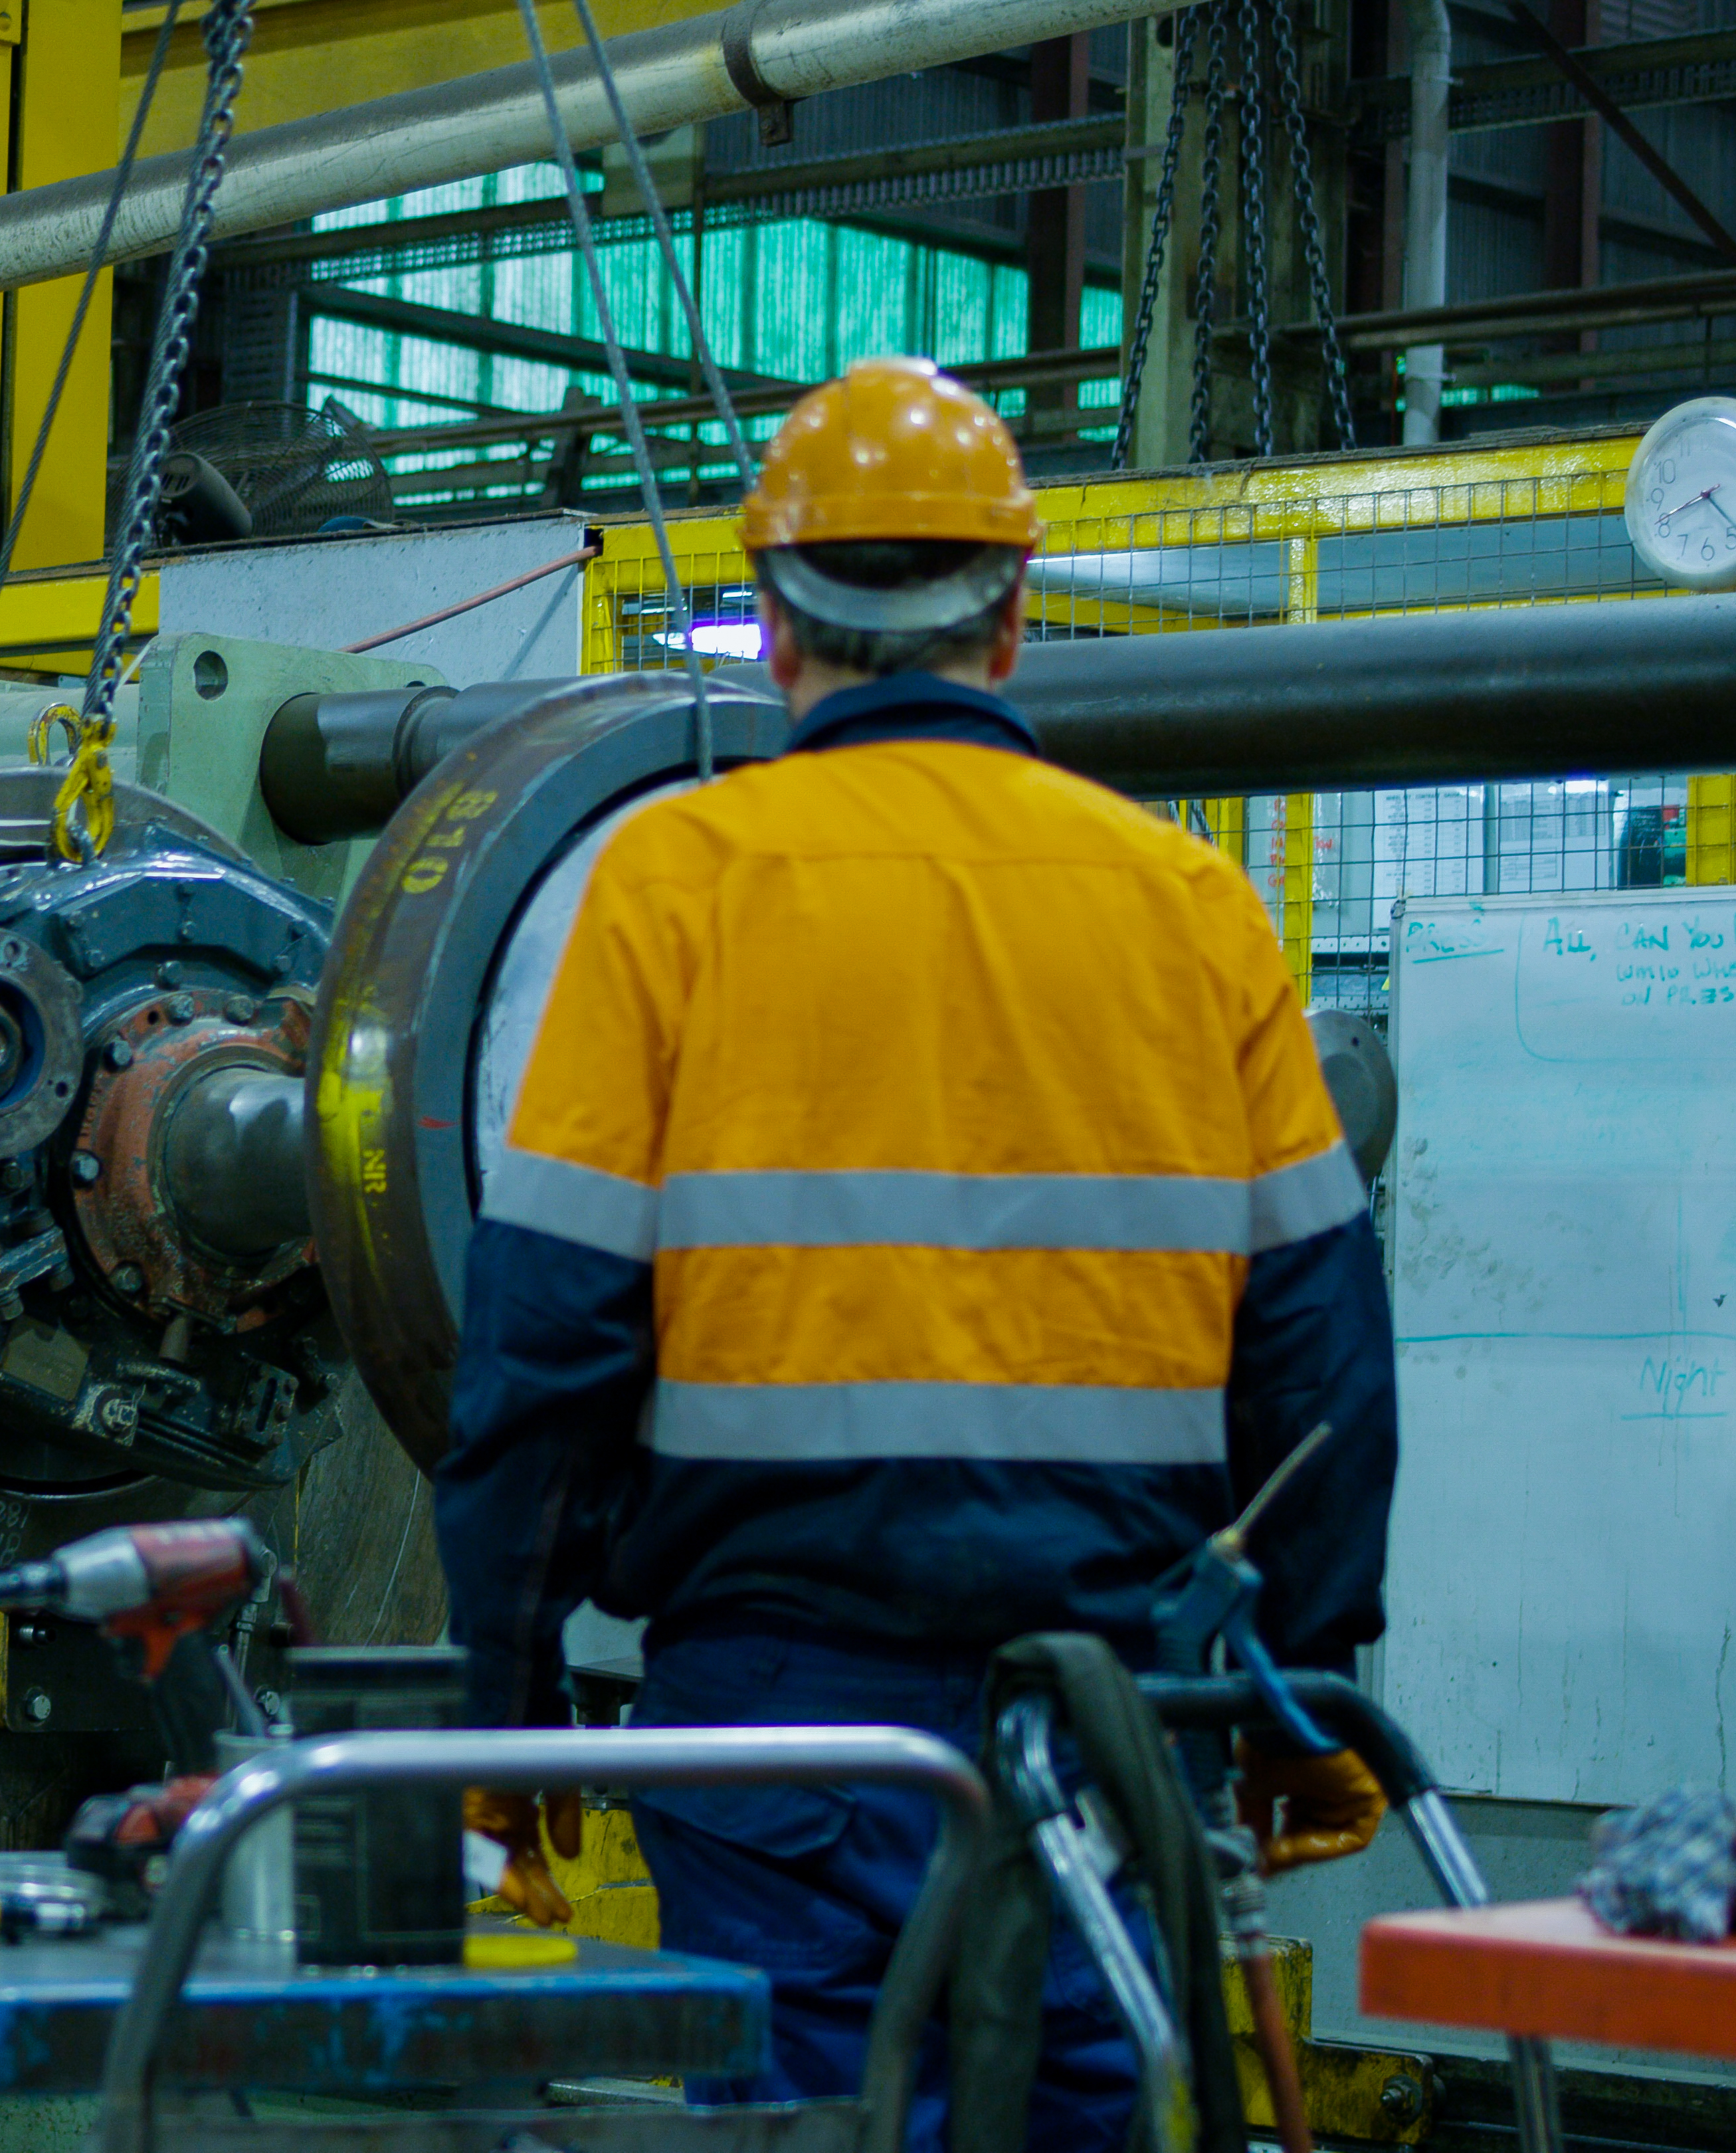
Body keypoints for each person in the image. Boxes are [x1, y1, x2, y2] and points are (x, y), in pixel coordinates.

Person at [434, 358, 1398, 2150]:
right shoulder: (1189, 906)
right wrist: (1303, 1693)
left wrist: (504, 1708)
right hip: (1109, 1723)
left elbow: (545, 1344)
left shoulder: (675, 887)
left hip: (775, 1742)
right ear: (1015, 618)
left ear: (777, 631)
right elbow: (1326, 1354)